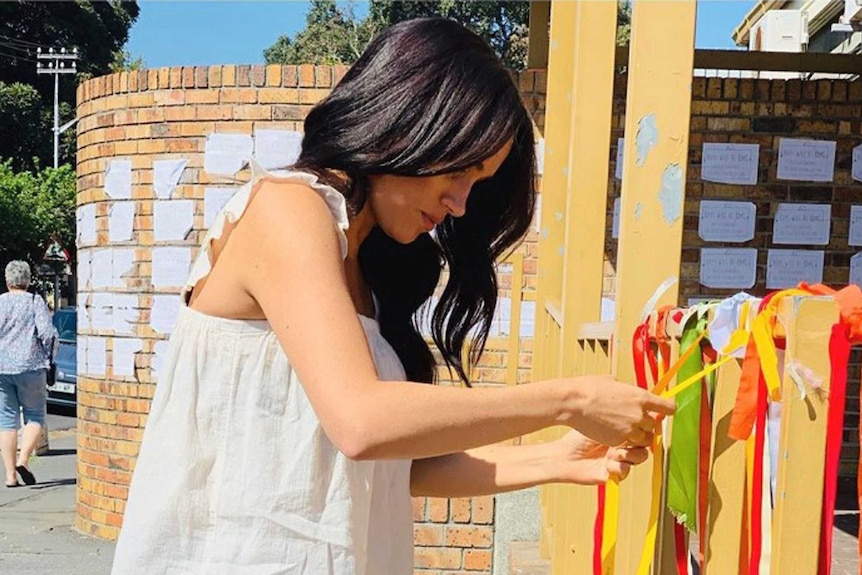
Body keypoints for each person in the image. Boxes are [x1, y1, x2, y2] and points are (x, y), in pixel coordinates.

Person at [112, 18, 674, 574]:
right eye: (461, 172)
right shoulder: (287, 209)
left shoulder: (365, 266)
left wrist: (555, 457)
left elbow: (398, 466)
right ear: (405, 124)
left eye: (476, 186)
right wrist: (570, 399)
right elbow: (362, 423)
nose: (459, 203)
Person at [0, 260, 57, 488]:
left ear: (7, 281)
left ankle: (10, 476)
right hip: (31, 366)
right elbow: (47, 333)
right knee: (35, 415)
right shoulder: (35, 301)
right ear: (28, 280)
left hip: (2, 368)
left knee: (6, 420)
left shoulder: (0, 303)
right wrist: (49, 358)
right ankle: (23, 461)